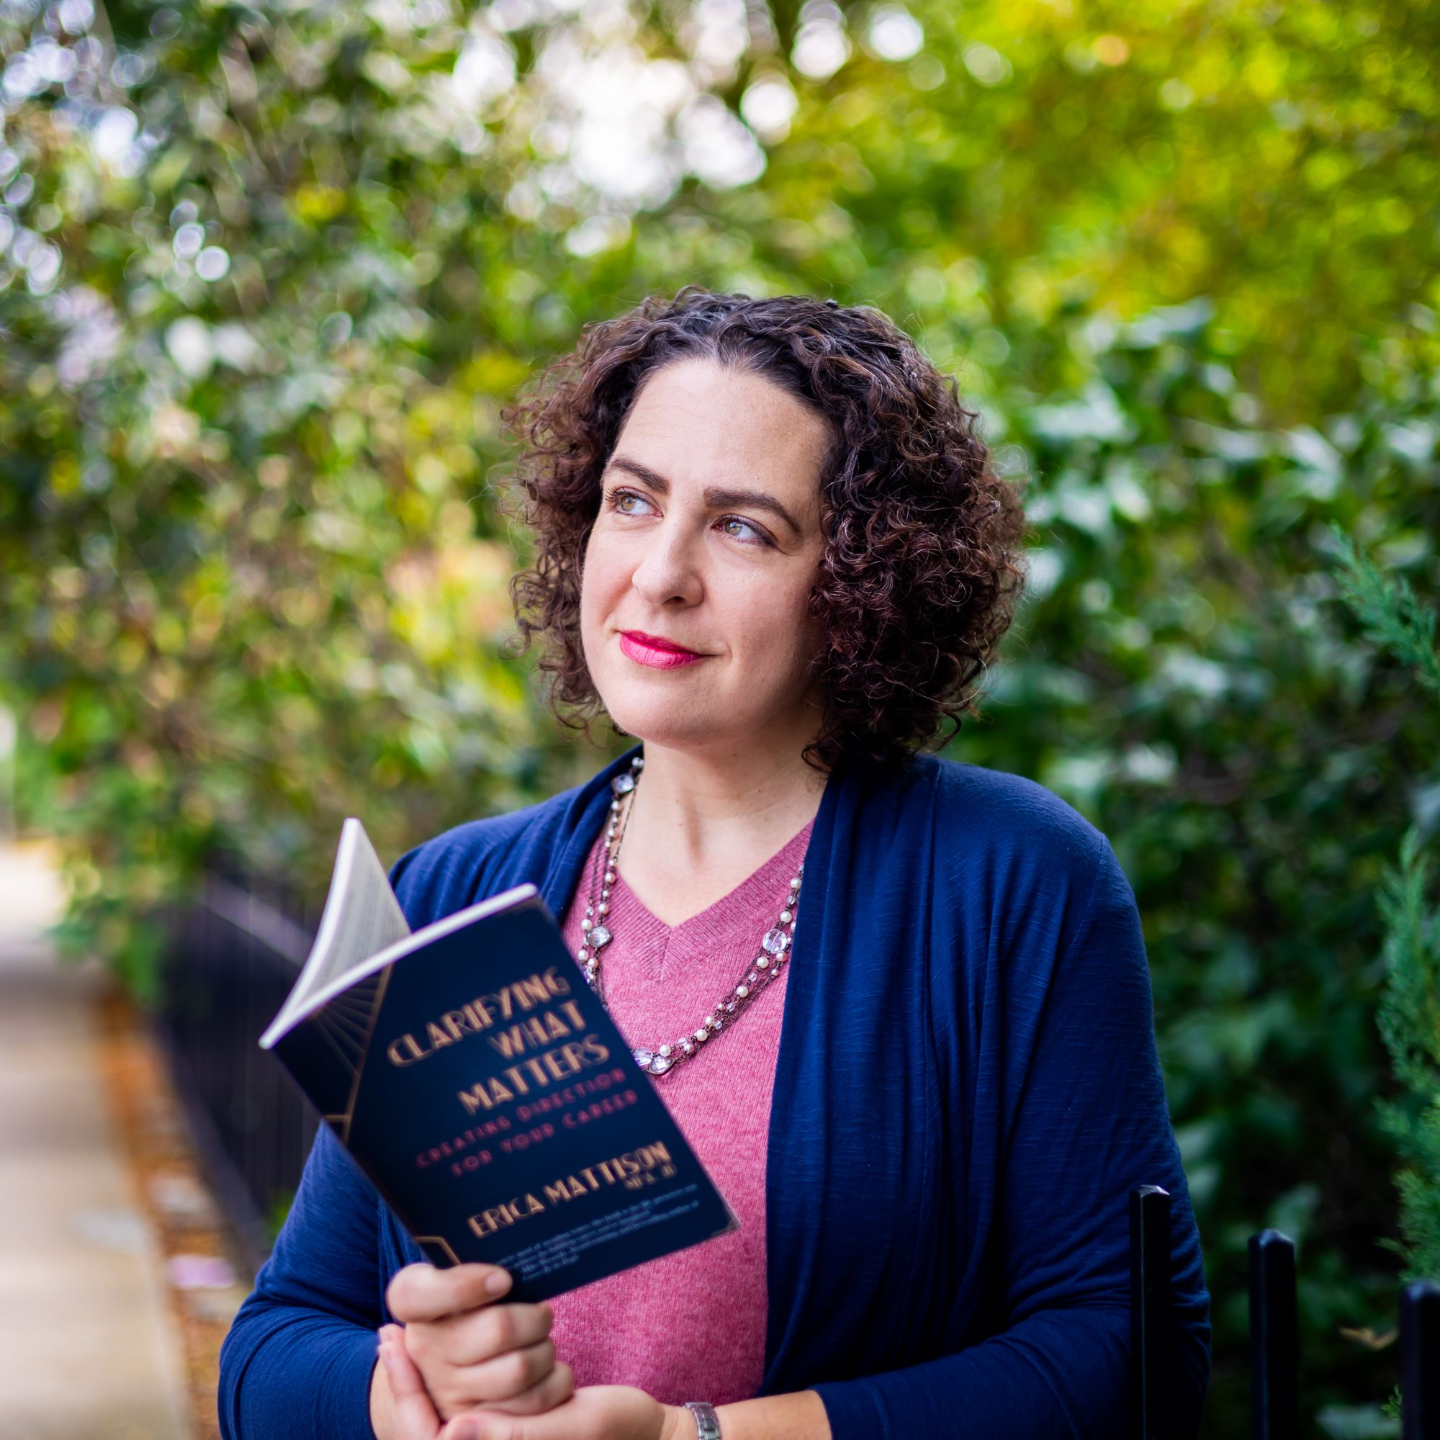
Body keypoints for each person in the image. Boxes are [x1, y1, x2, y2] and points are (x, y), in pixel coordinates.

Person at [218, 287, 1211, 1440]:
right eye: (633, 501)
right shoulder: (451, 895)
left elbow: (1125, 1353)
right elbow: (273, 1347)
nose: (660, 573)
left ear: (861, 582)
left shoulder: (1013, 887)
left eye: (745, 528)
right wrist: (408, 1400)